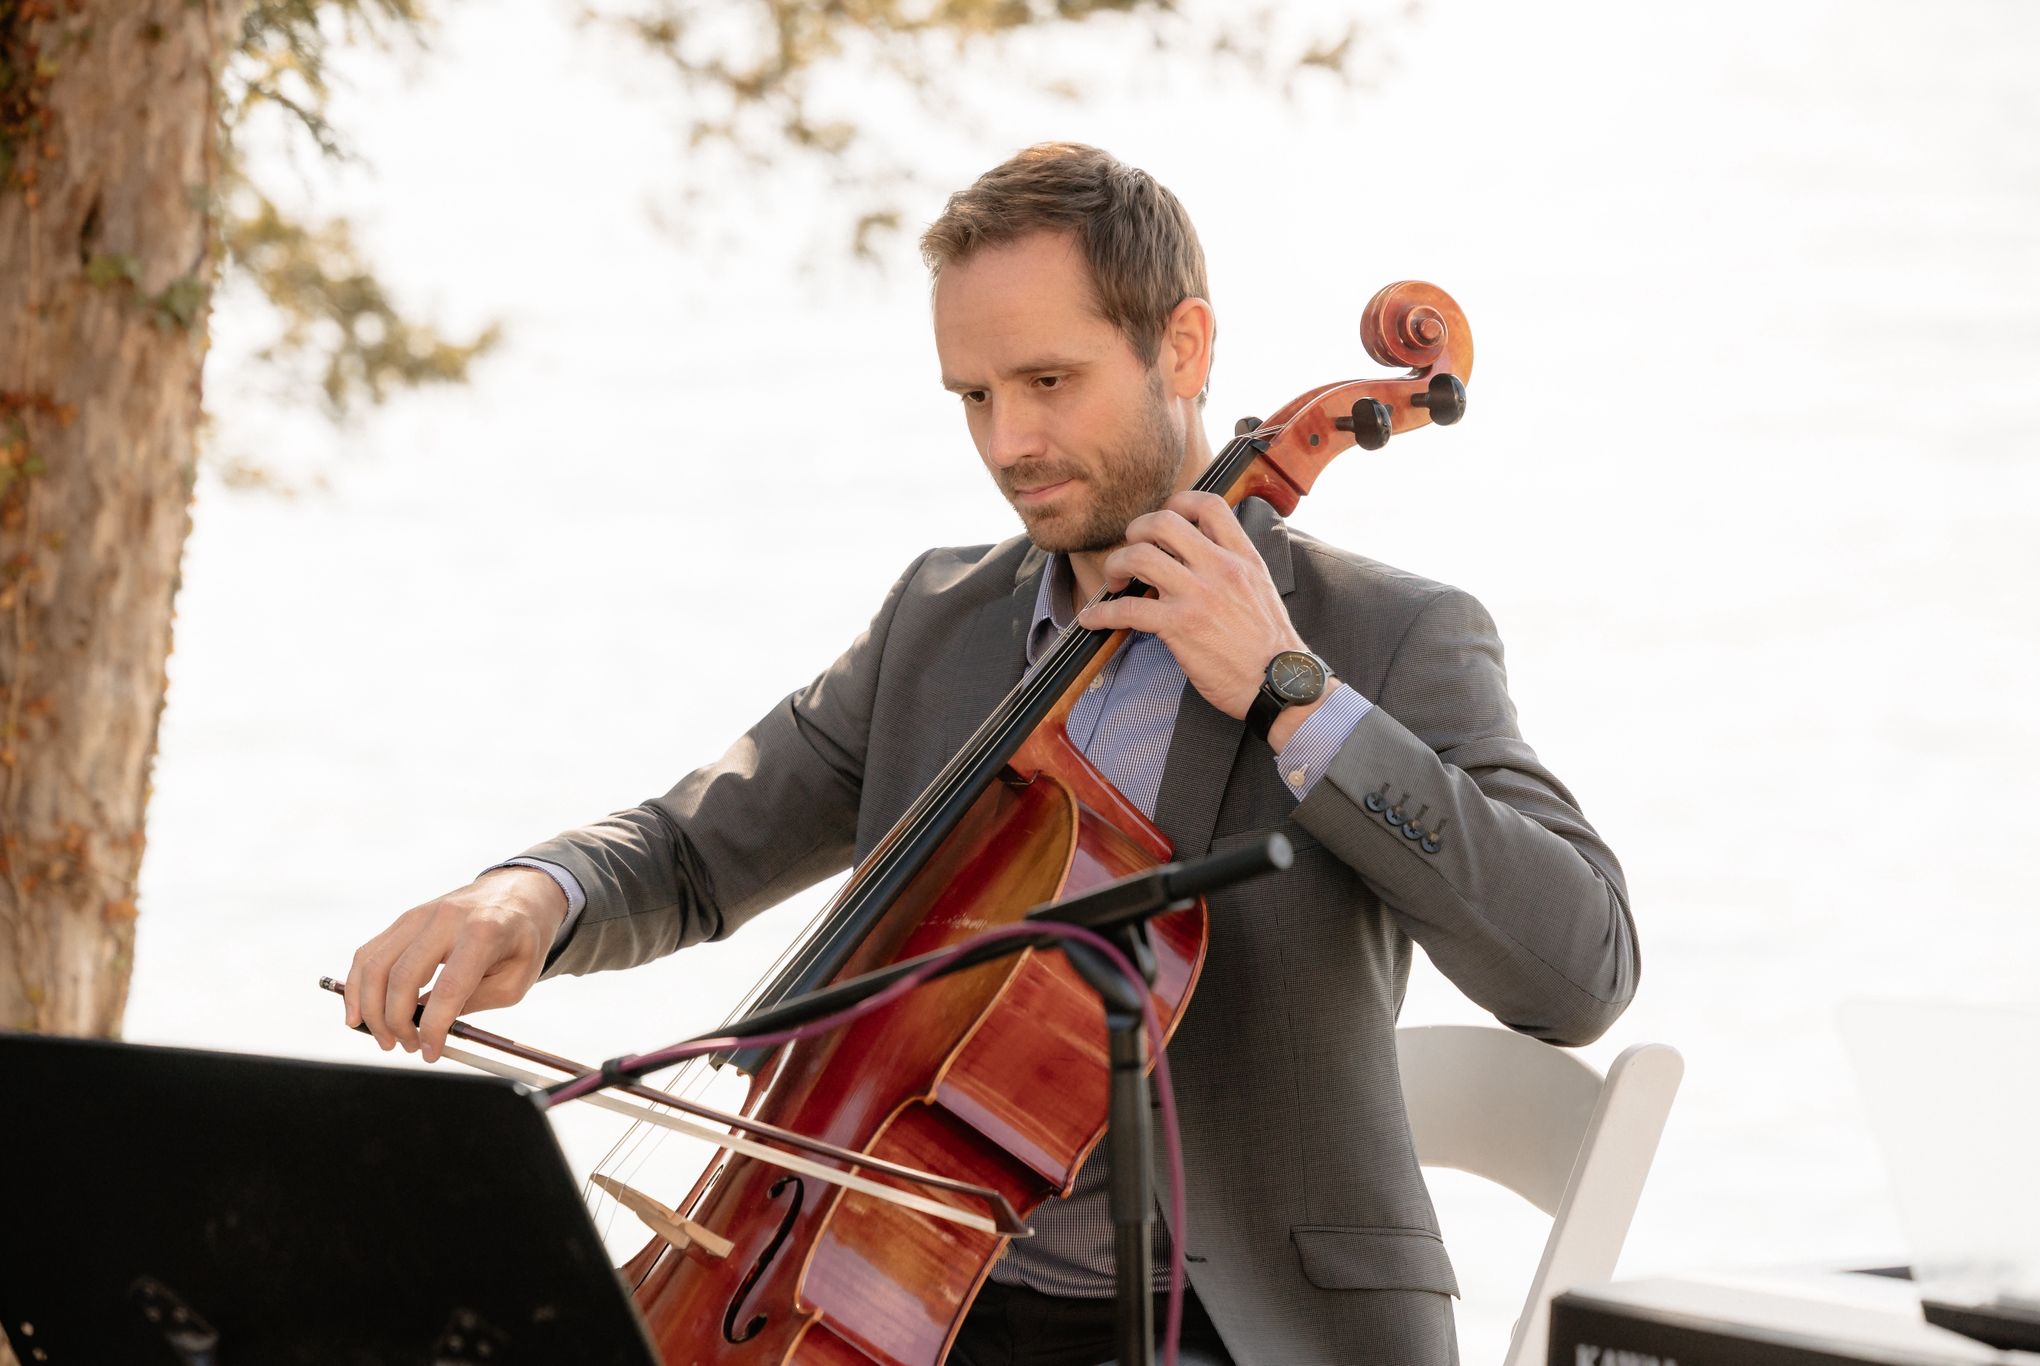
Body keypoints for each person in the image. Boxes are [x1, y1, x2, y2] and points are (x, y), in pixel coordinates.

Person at [344, 142, 1637, 1366]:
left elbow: (1580, 965)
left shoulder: (1386, 632)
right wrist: (528, 897)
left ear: (1180, 346)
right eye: (975, 395)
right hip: (913, 1300)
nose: (1008, 441)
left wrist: (1293, 694)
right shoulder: (939, 621)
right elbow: (694, 848)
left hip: (1228, 1326)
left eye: (1049, 382)